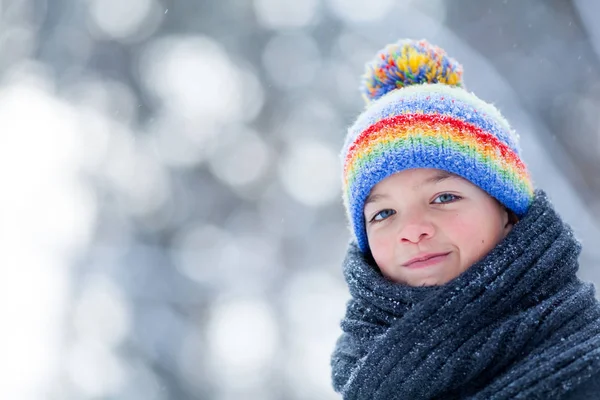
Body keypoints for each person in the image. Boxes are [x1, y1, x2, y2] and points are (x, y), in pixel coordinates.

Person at [330, 39, 600, 399]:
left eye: (444, 197)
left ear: (506, 210)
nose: (412, 230)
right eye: (383, 213)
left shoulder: (585, 367)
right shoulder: (361, 372)